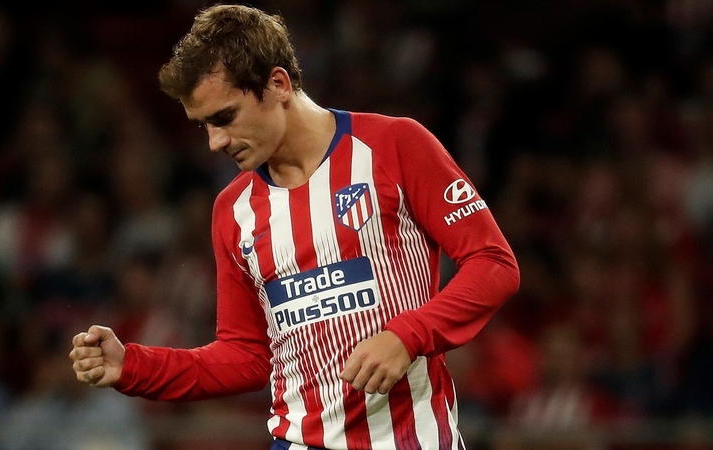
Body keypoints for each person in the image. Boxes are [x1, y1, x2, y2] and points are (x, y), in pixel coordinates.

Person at [69, 4, 520, 449]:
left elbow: (494, 263)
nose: (215, 142)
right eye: (203, 125)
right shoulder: (233, 210)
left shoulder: (394, 146)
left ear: (278, 84)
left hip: (413, 439)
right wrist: (133, 366)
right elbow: (247, 355)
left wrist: (407, 336)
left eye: (225, 118)